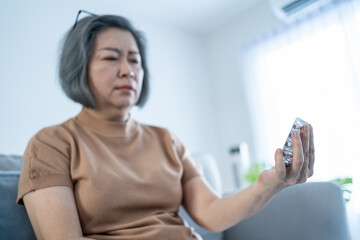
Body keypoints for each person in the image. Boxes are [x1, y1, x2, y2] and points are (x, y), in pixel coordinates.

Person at [16, 10, 315, 240]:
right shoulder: (51, 143)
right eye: (111, 58)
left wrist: (267, 186)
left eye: (135, 60)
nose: (128, 71)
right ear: (79, 68)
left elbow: (210, 212)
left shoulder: (166, 140)